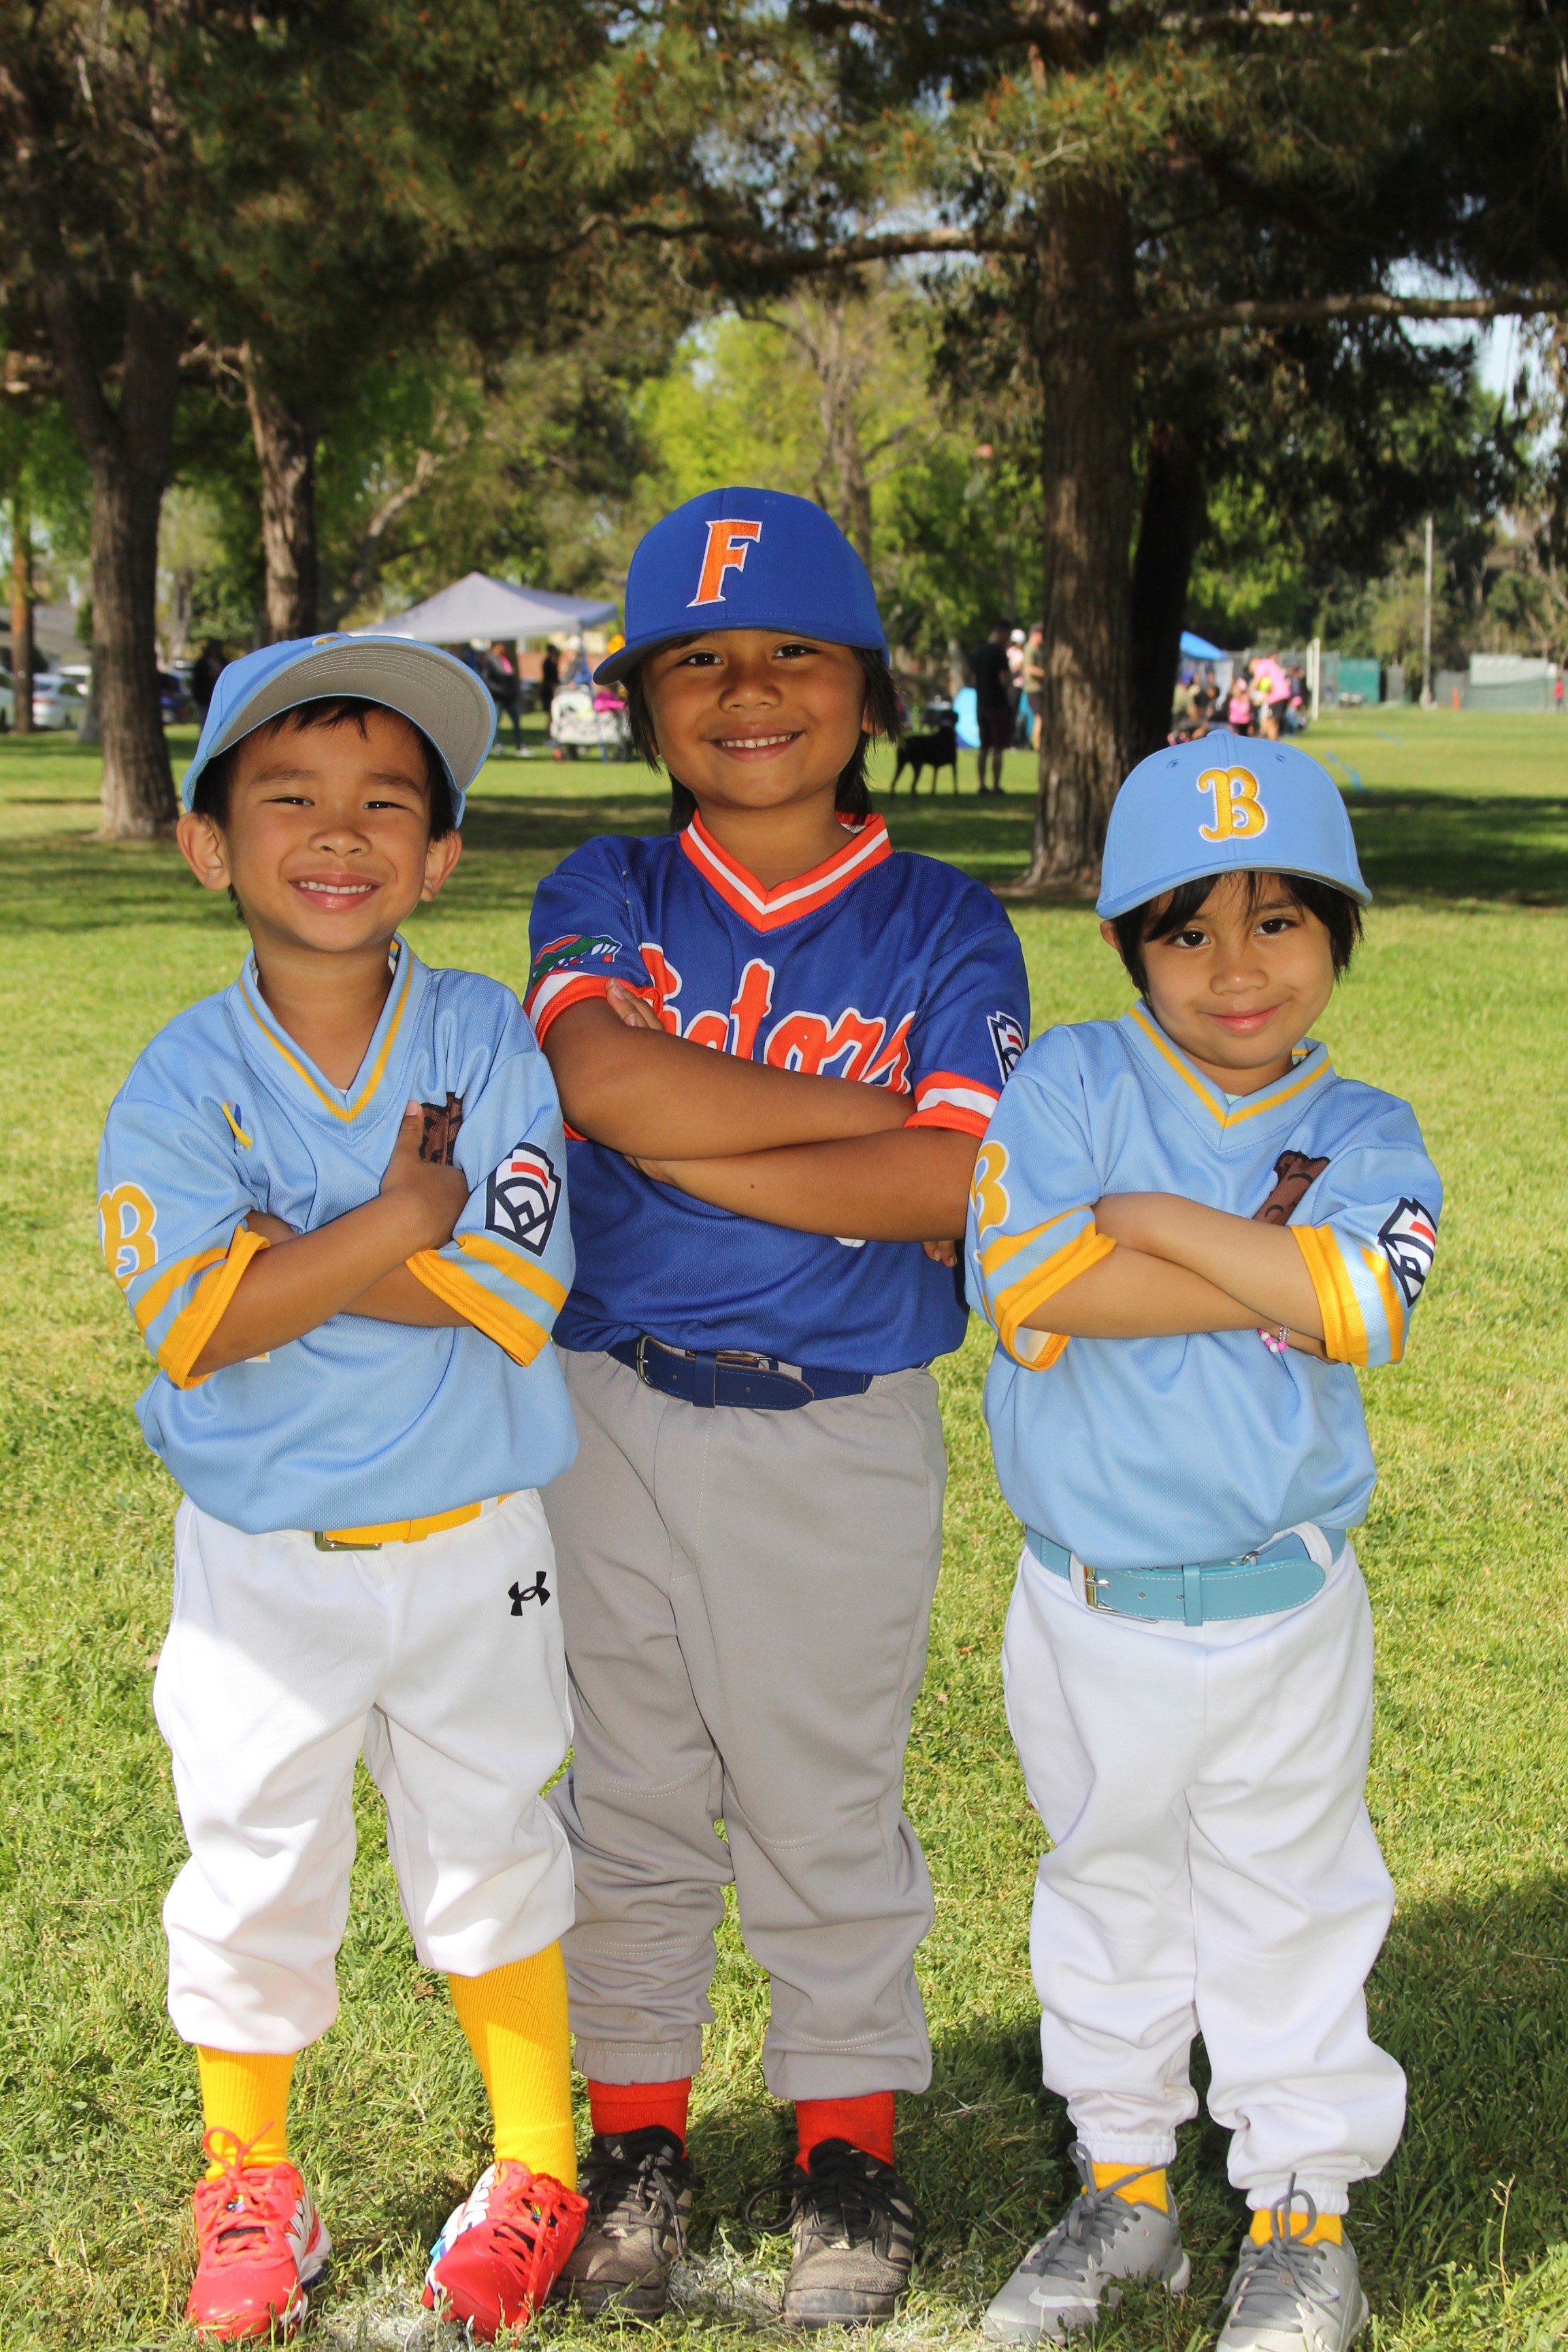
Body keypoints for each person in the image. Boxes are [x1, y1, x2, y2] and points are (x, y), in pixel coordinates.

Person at [523, 488, 1030, 2328]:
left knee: (822, 1806)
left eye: (794, 652)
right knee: (631, 1797)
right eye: (700, 660)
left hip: (838, 1427)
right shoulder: (606, 886)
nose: (748, 691)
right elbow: (601, 1079)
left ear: (873, 689)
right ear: (645, 701)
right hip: (604, 1408)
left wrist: (692, 1122)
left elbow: (951, 1184)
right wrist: (853, 1118)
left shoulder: (945, 920)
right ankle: (636, 2141)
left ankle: (844, 2154)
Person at [97, 636, 587, 2344]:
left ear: (440, 856)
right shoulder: (183, 1073)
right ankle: (251, 2177)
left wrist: (291, 1252)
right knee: (250, 1859)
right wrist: (395, 1221)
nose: (338, 831)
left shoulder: (482, 1035)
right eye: (287, 795)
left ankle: (538, 2164)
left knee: (495, 1843)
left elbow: (517, 1285)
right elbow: (201, 1327)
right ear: (207, 842)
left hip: (473, 1538)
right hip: (263, 1561)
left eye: (387, 802)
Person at [968, 730, 1440, 2352]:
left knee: (1289, 1901)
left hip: (1282, 1600)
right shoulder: (1072, 1081)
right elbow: (1032, 1289)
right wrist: (1263, 1268)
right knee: (1103, 1889)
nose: (1237, 968)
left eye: (1279, 919)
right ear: (1129, 943)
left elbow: (1362, 1299)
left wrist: (1150, 1219)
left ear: (1338, 933)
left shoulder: (1368, 1126)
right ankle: (1127, 2186)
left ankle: (1303, 2211)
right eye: (1189, 927)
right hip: (1084, 1596)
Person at [972, 620, 1015, 794]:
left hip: (981, 703)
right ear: (1003, 632)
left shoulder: (979, 652)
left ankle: (982, 785)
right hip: (997, 705)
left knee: (983, 747)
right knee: (998, 747)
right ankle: (996, 786)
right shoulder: (999, 652)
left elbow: (974, 679)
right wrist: (1012, 680)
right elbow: (1004, 680)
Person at [487, 640, 525, 752]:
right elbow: (488, 679)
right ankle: (497, 745)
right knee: (496, 721)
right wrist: (499, 690)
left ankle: (519, 745)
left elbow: (511, 676)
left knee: (516, 719)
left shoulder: (505, 660)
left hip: (509, 697)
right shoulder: (491, 660)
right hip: (499, 697)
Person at [1021, 624, 1045, 749]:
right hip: (1033, 689)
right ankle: (1038, 744)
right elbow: (1029, 669)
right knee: (1039, 717)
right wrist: (1045, 673)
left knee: (1041, 717)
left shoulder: (1037, 649)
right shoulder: (1030, 649)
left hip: (1038, 688)